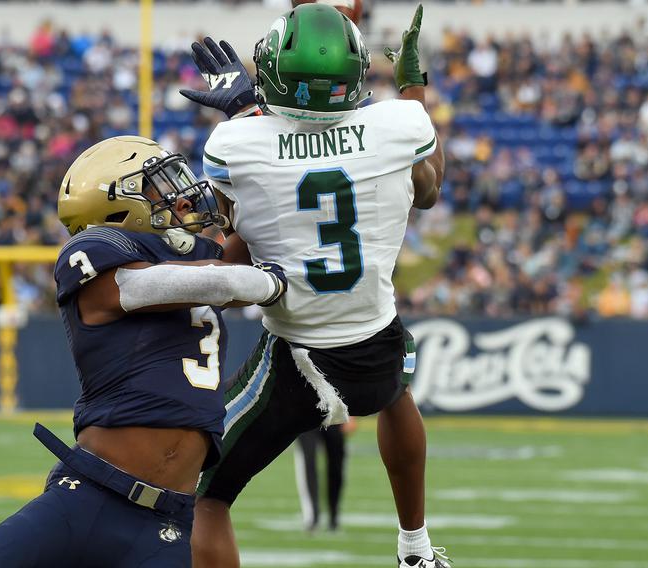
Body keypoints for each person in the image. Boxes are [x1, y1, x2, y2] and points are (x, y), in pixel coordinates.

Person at [181, 5, 451, 568]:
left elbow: (235, 240)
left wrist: (244, 107)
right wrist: (412, 89)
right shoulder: (400, 123)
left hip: (295, 354)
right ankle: (416, 550)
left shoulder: (236, 143)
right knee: (398, 390)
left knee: (201, 494)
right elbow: (427, 193)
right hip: (376, 337)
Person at [0, 136, 287, 568]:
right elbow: (188, 283)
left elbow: (249, 236)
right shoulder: (94, 252)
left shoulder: (195, 258)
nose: (179, 196)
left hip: (166, 522)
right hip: (86, 500)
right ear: (116, 203)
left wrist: (254, 126)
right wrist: (265, 281)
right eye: (157, 186)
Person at [293, 418, 356, 532]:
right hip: (306, 410)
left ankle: (334, 515)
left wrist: (351, 415)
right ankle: (312, 517)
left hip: (333, 411)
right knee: (308, 461)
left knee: (336, 465)